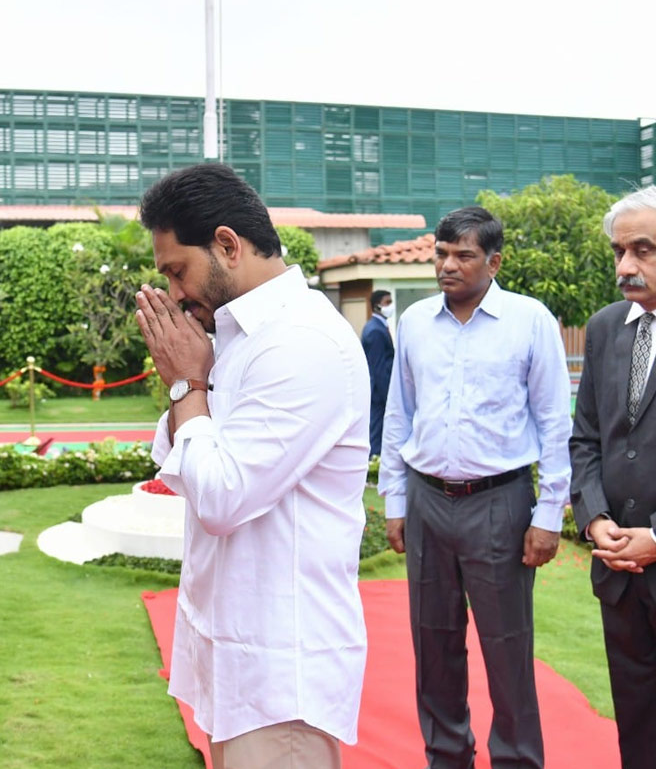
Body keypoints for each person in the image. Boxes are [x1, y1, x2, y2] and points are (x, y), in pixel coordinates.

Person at [135, 163, 368, 769]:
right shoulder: (239, 336)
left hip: (279, 666)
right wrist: (193, 390)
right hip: (240, 650)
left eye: (176, 271)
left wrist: (188, 384)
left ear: (227, 245)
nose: (176, 293)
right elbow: (176, 457)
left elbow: (218, 497)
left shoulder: (301, 342)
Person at [379, 206, 571, 769]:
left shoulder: (529, 320)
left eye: (464, 255)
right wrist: (395, 501)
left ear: (494, 261)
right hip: (427, 500)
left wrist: (549, 515)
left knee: (506, 648)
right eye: (441, 253)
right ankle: (447, 757)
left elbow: (555, 421)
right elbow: (399, 416)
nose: (448, 265)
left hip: (500, 503)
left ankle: (516, 760)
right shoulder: (413, 322)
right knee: (432, 645)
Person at [569, 186, 656, 769]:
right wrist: (596, 518)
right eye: (620, 252)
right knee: (638, 729)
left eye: (643, 250)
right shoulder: (604, 328)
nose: (625, 266)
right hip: (620, 576)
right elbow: (587, 440)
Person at [361, 289, 395, 456]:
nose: (391, 306)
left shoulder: (379, 326)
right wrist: (387, 396)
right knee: (376, 432)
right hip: (378, 393)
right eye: (387, 302)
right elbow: (379, 367)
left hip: (378, 392)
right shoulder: (375, 330)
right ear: (376, 306)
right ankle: (373, 465)